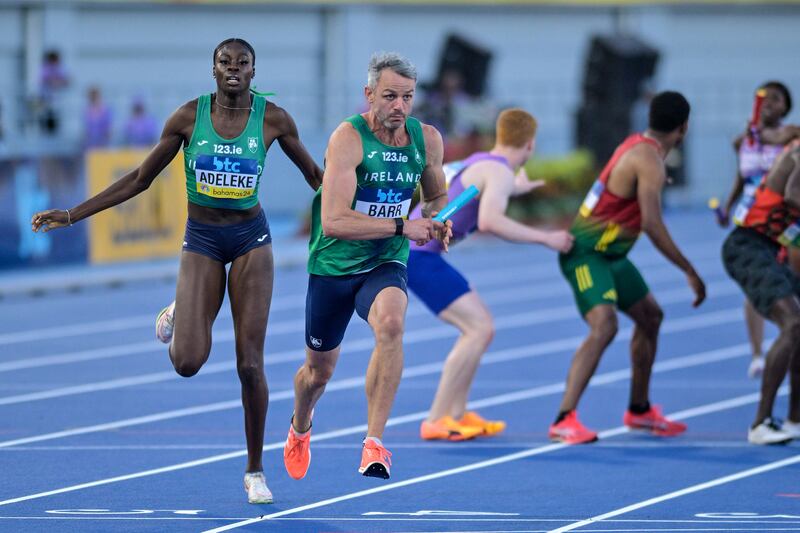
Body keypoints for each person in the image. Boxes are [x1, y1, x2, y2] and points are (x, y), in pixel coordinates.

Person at [31, 38, 323, 504]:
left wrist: (359, 210)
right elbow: (139, 179)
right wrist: (72, 214)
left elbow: (316, 176)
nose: (233, 70)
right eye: (224, 62)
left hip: (252, 240)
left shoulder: (273, 119)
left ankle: (254, 470)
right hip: (203, 241)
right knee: (187, 362)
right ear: (212, 70)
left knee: (250, 364)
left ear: (253, 71)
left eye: (242, 64)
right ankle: (182, 308)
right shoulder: (189, 117)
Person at [283, 52, 451, 481]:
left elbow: (435, 198)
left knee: (392, 324)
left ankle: (374, 443)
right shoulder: (348, 138)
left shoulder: (426, 139)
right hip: (334, 264)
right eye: (390, 96)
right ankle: (301, 424)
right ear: (369, 94)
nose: (399, 106)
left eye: (408, 97)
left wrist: (435, 222)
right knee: (317, 374)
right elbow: (334, 221)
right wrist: (402, 225)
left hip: (384, 260)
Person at [548, 91, 706, 445]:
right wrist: (689, 270)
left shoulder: (640, 147)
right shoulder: (648, 159)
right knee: (604, 326)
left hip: (611, 255)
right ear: (684, 127)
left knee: (651, 317)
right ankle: (563, 418)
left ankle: (639, 410)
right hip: (586, 254)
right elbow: (652, 223)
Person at [408, 108, 574, 441]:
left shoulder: (483, 162)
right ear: (530, 145)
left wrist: (516, 188)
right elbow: (490, 221)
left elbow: (484, 186)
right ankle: (438, 417)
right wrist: (547, 238)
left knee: (479, 329)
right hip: (419, 256)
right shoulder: (499, 173)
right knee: (478, 328)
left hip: (416, 252)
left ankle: (457, 412)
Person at [718, 81, 800, 379]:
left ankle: (790, 341)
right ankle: (757, 354)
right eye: (763, 98)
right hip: (750, 217)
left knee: (790, 280)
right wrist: (728, 207)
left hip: (784, 215)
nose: (768, 103)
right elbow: (740, 178)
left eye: (776, 99)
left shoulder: (790, 134)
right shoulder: (743, 141)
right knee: (757, 284)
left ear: (785, 107)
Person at [722, 142, 800, 445]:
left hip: (772, 250)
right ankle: (760, 423)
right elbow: (793, 195)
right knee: (792, 323)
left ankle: (795, 420)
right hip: (748, 246)